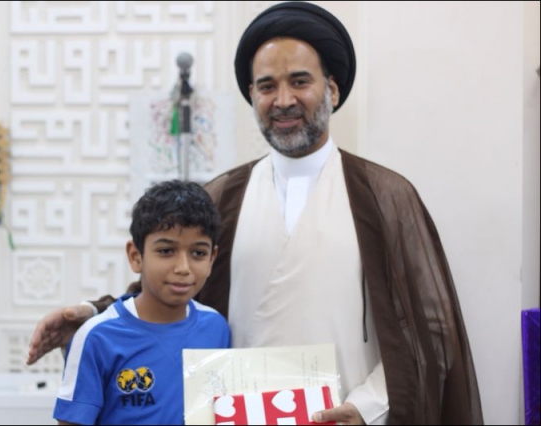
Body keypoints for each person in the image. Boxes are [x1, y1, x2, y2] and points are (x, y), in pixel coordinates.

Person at [30, 3, 483, 424]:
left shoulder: (383, 196)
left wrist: (365, 407)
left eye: (299, 82)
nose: (283, 100)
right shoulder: (224, 195)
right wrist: (92, 313)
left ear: (332, 88)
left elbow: (429, 329)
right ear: (252, 95)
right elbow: (170, 289)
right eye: (267, 86)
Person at [53, 180, 231, 425]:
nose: (183, 268)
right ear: (136, 256)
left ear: (212, 259)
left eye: (198, 253)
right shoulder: (96, 337)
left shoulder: (217, 328)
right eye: (166, 251)